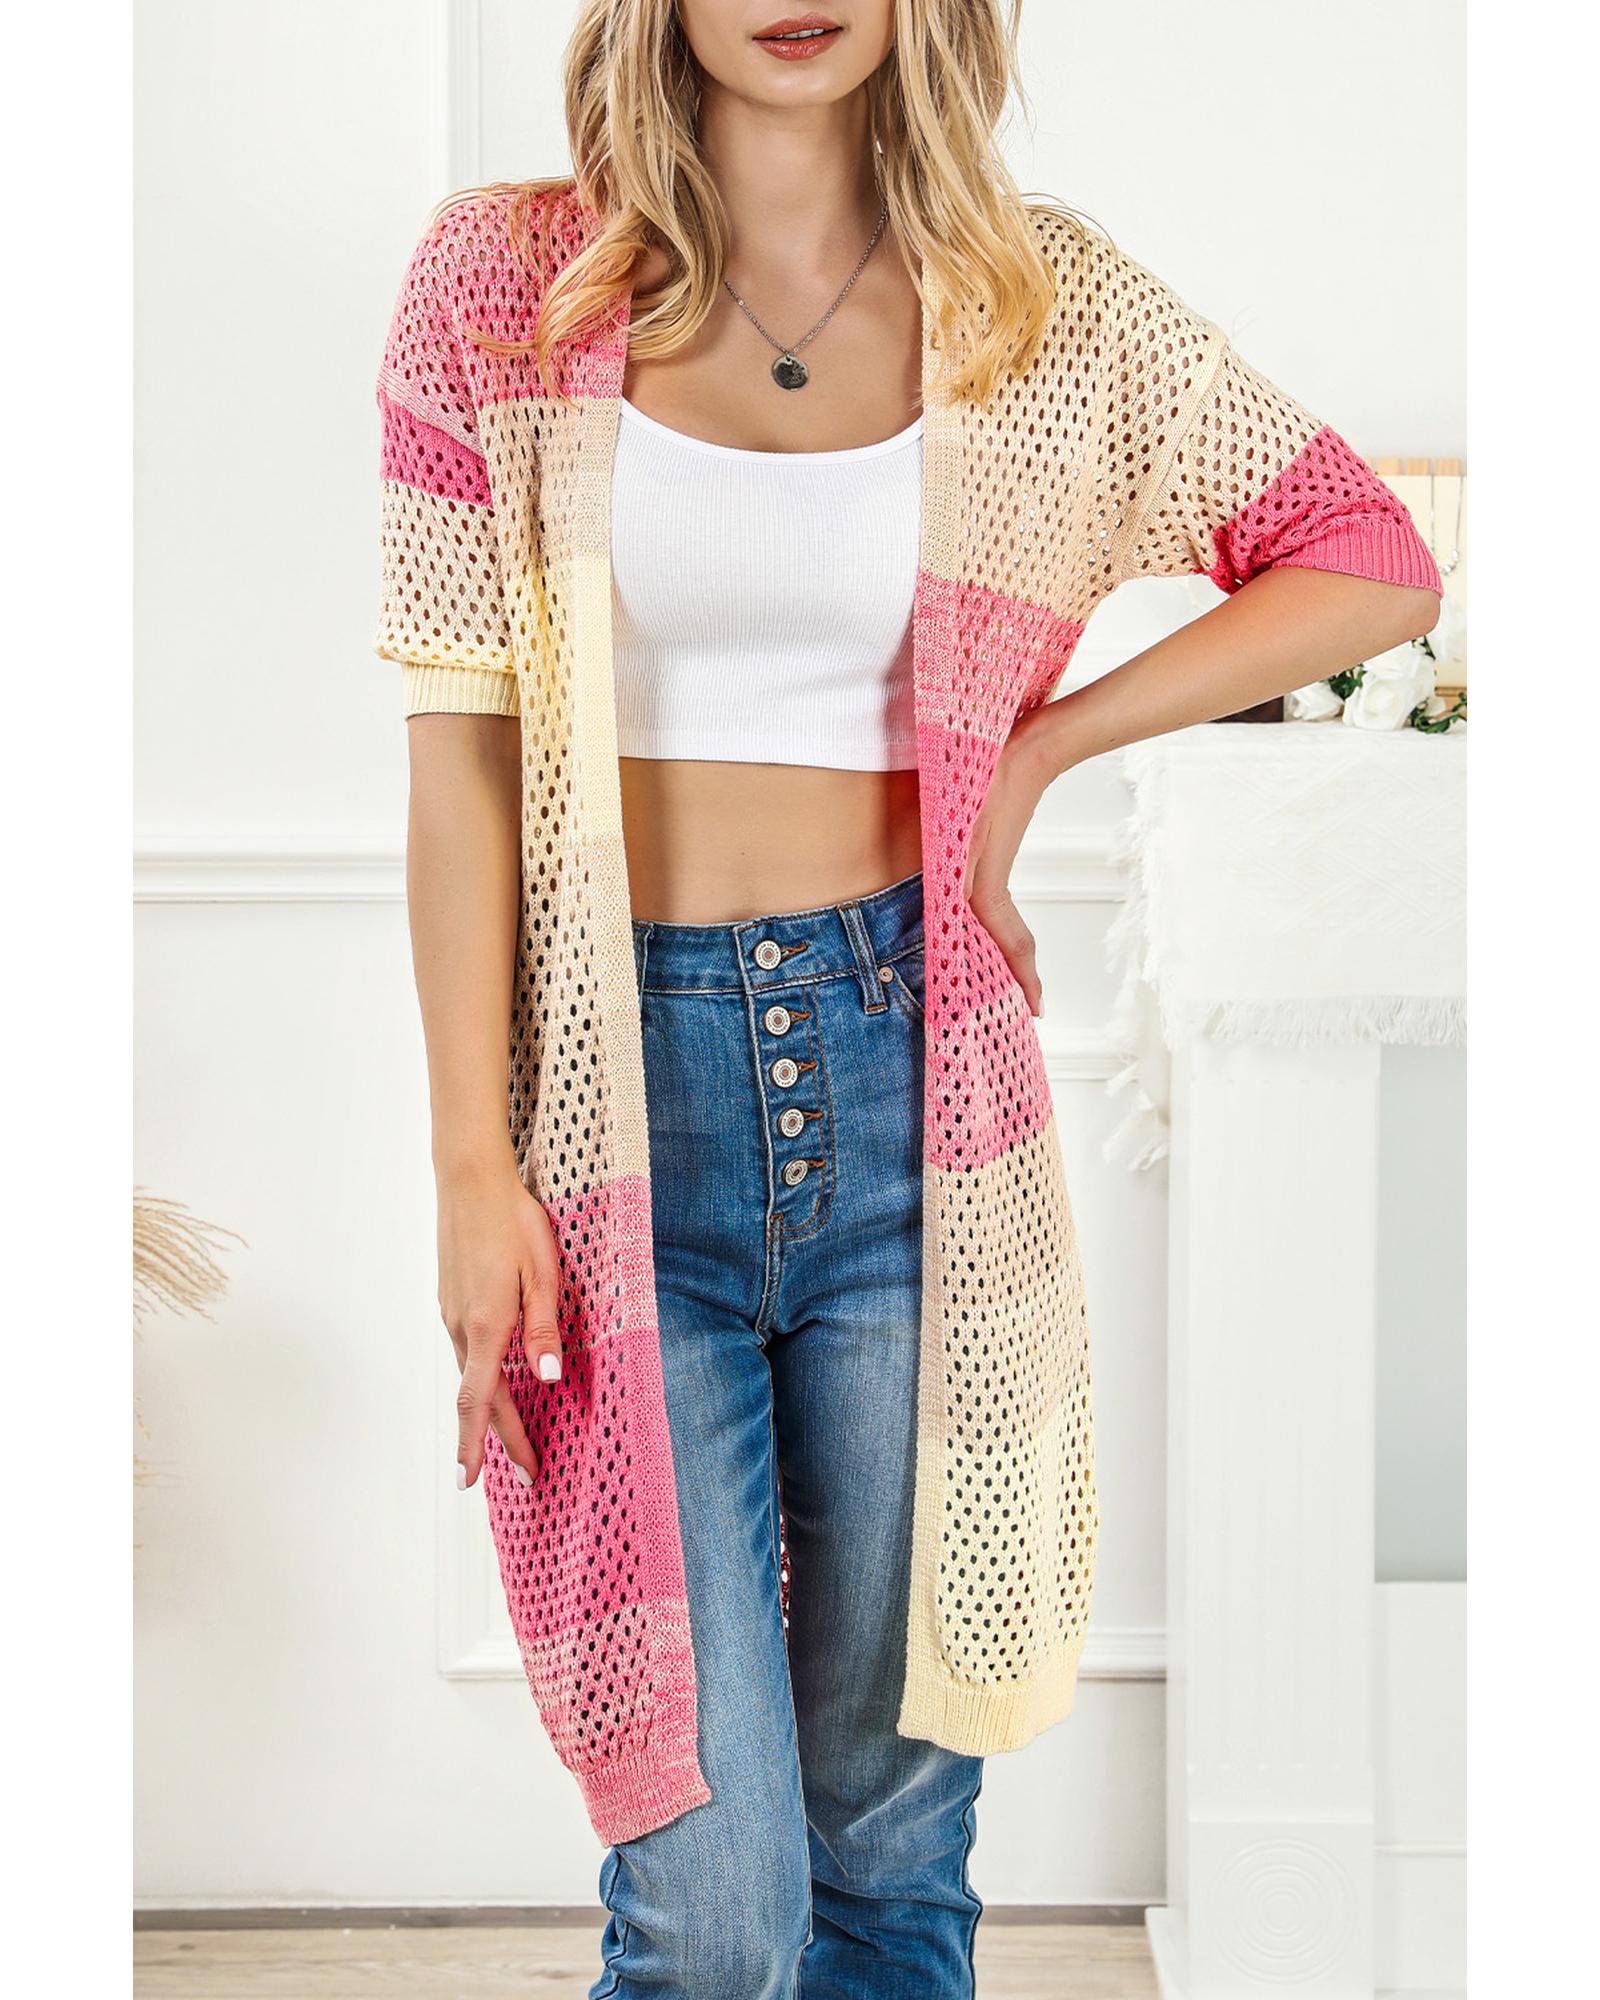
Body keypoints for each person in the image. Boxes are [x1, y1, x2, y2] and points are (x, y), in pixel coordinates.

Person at [373, 6, 1443, 1995]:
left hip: (912, 1097)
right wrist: (467, 1168)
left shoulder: (1038, 302)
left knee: (887, 1863)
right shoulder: (502, 284)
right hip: (619, 1107)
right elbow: (461, 759)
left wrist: (1037, 747)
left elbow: (1366, 562)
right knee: (710, 1913)